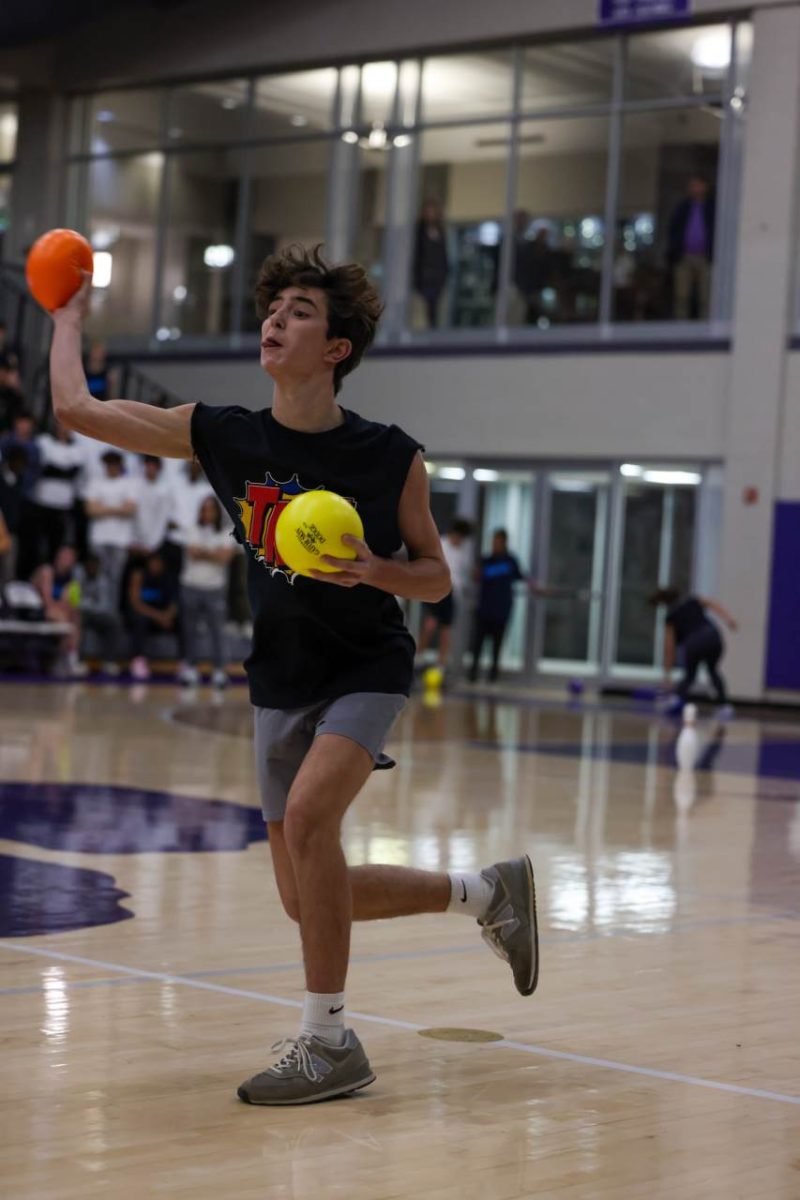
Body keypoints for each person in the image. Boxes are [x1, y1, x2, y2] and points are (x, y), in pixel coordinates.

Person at [48, 243, 539, 1107]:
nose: (275, 321)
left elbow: (436, 575)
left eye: (300, 312)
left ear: (337, 348)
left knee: (313, 817)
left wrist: (375, 572)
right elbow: (75, 407)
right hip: (280, 675)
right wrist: (66, 322)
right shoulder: (225, 434)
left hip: (366, 665)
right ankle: (484, 892)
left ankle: (329, 1039)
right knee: (302, 892)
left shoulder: (391, 457)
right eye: (274, 310)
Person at [648, 586, 737, 719]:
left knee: (690, 675)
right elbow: (712, 603)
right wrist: (728, 619)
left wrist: (667, 675)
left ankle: (676, 699)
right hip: (714, 637)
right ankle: (724, 706)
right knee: (713, 670)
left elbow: (669, 648)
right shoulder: (692, 601)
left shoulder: (671, 617)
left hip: (694, 642)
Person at [469, 528, 544, 683]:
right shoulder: (485, 560)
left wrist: (535, 587)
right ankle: (473, 675)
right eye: (493, 541)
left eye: (498, 541)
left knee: (497, 645)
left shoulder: (511, 561)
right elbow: (476, 577)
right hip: (484, 609)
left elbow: (523, 576)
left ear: (504, 542)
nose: (495, 544)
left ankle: (493, 677)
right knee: (478, 643)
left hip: (502, 610)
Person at [179, 495, 235, 688]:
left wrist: (204, 553)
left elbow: (225, 558)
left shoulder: (226, 532)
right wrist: (213, 553)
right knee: (190, 630)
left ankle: (219, 671)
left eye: (211, 509)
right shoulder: (192, 529)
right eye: (204, 509)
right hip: (191, 585)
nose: (207, 513)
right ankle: (190, 669)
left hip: (215, 588)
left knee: (217, 631)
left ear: (217, 512)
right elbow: (192, 553)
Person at [416, 517, 473, 675]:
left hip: (452, 592)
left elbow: (462, 574)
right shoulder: (441, 544)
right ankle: (419, 656)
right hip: (436, 588)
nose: (459, 540)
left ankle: (441, 665)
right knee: (431, 623)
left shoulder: (464, 551)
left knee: (446, 629)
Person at [84, 449, 138, 605]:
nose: (111, 468)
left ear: (120, 465)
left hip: (120, 540)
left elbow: (130, 509)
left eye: (114, 465)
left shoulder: (129, 483)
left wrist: (104, 508)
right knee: (96, 577)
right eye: (108, 465)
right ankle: (94, 609)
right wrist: (118, 508)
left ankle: (111, 613)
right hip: (99, 537)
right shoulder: (96, 482)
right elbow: (90, 510)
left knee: (115, 580)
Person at [31, 544, 84, 676]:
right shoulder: (47, 571)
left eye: (71, 557)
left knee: (76, 616)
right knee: (64, 619)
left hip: (56, 613)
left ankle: (71, 658)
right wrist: (62, 609)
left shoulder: (71, 580)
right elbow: (46, 601)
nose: (68, 559)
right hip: (35, 611)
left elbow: (70, 603)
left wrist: (68, 608)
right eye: (65, 555)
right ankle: (63, 660)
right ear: (58, 556)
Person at [127, 549, 179, 681]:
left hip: (162, 618)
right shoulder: (139, 576)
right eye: (152, 562)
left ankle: (186, 662)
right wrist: (158, 616)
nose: (155, 565)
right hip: (146, 616)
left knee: (182, 619)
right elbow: (136, 604)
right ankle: (138, 660)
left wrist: (167, 616)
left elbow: (175, 603)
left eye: (158, 562)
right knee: (139, 620)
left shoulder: (169, 578)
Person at [668, 176, 715, 320]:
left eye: (698, 185)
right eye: (692, 185)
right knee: (682, 295)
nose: (695, 188)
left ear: (705, 187)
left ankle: (706, 327)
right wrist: (676, 252)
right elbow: (673, 229)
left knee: (705, 296)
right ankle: (680, 328)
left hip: (705, 257)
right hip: (685, 257)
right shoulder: (683, 207)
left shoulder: (712, 207)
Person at [412, 199, 449, 329]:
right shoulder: (419, 232)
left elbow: (443, 255)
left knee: (435, 312)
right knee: (423, 313)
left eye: (433, 211)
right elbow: (416, 256)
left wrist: (445, 273)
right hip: (423, 279)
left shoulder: (440, 231)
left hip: (438, 279)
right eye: (428, 211)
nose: (431, 214)